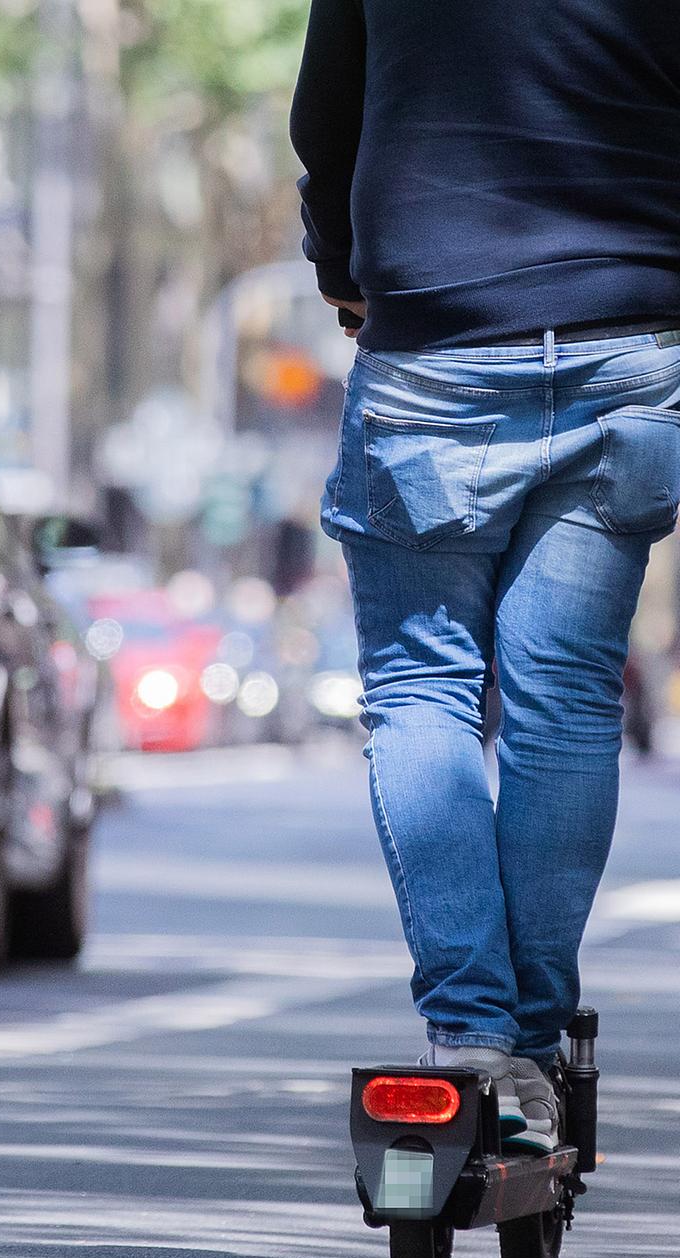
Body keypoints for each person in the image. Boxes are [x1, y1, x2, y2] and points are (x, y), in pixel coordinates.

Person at [290, 0, 680, 1153]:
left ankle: (471, 1035)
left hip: (437, 333)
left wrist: (340, 267)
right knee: (564, 702)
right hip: (629, 338)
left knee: (422, 691)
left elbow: (328, 115)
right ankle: (539, 1044)